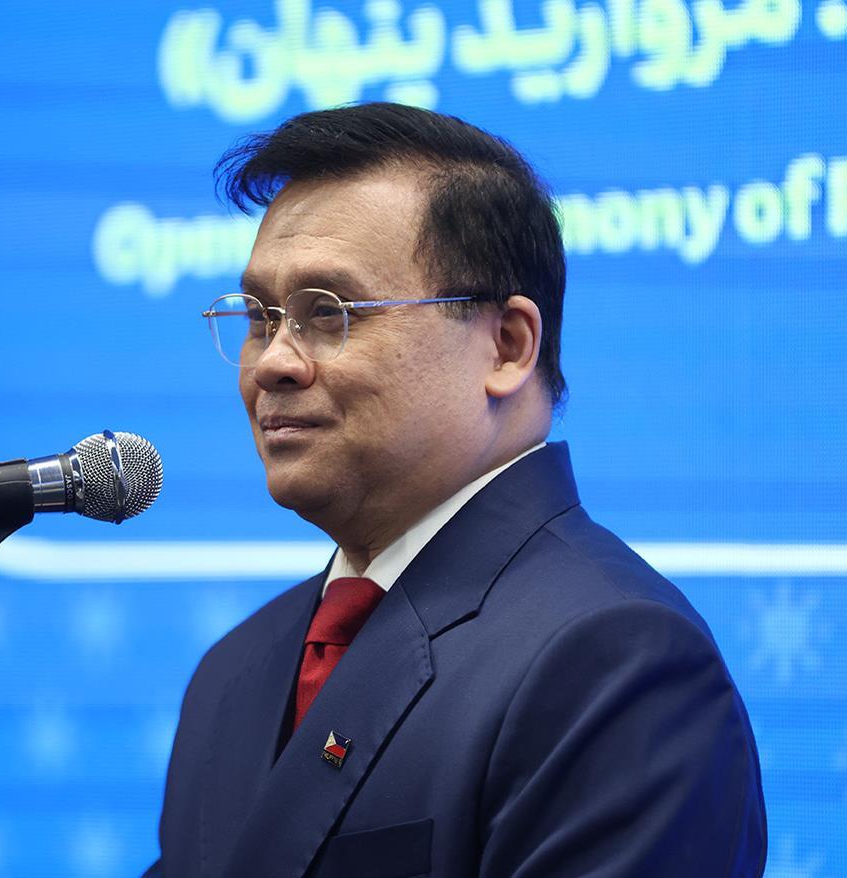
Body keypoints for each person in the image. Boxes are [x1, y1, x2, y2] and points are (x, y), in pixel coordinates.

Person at [146, 102, 765, 878]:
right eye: (262, 318)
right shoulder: (233, 673)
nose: (273, 361)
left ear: (506, 346)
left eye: (327, 313)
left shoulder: (615, 663)